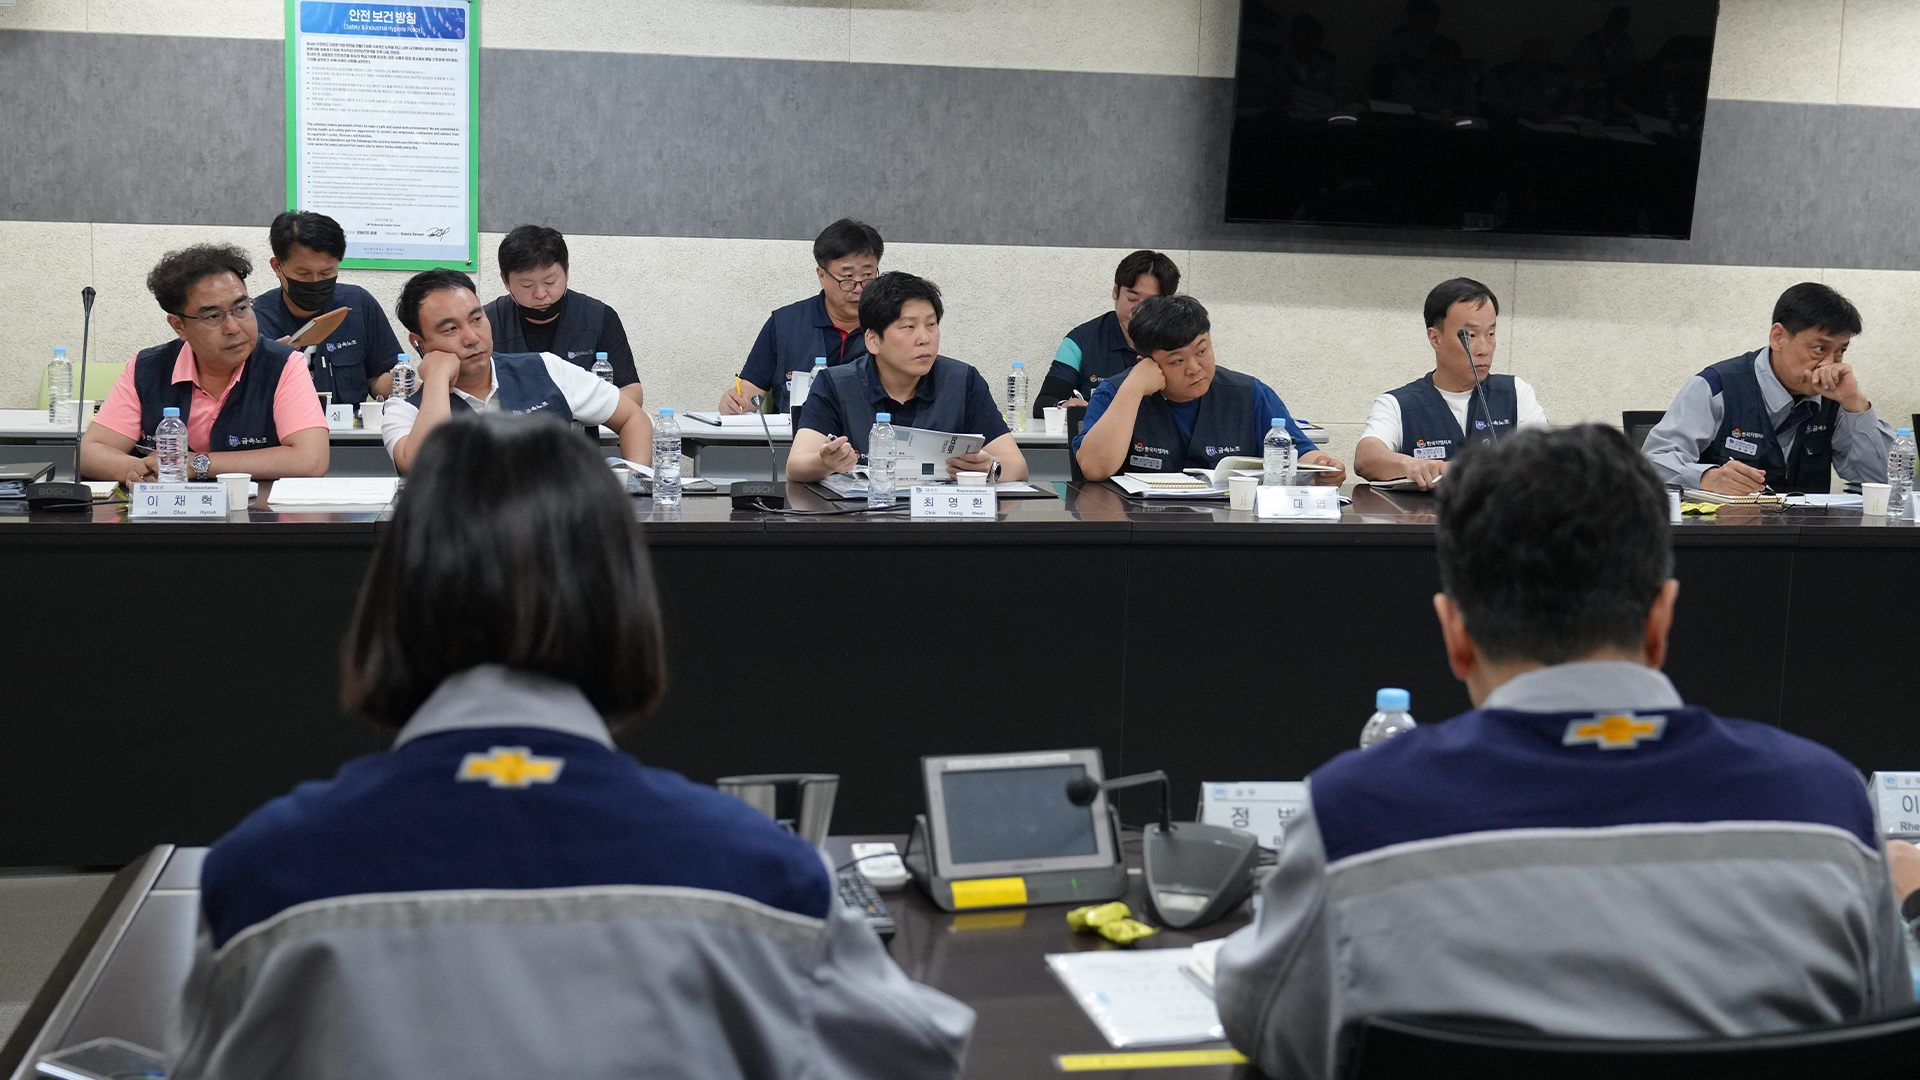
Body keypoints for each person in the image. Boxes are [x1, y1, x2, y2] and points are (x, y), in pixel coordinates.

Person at [165, 415, 974, 1079]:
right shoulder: (763, 873)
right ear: (622, 602)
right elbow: (924, 1053)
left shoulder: (263, 875)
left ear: (394, 600)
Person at [1215, 425, 1916, 1080]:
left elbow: (1266, 1027)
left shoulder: (1353, 816)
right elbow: (1881, 1019)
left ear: (1455, 635)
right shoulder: (1826, 805)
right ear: (1662, 619)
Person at [81, 244, 329, 485]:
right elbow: (90, 452)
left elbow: (311, 459)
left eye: (241, 308)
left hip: (256, 509)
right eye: (213, 316)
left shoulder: (283, 364)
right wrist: (137, 470)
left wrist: (198, 464)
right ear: (179, 326)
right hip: (166, 509)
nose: (233, 328)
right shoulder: (147, 369)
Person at [380, 269, 653, 473]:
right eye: (450, 329)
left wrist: (632, 491)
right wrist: (438, 377)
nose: (472, 337)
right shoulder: (403, 409)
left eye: (477, 319)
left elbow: (633, 418)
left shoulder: (546, 368)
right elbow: (420, 467)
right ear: (419, 343)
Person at [1641, 282, 1891, 495]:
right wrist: (1706, 477)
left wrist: (1856, 404)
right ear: (1778, 337)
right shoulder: (1717, 387)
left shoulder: (1837, 397)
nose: (1829, 364)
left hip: (1809, 532)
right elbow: (1652, 463)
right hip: (1726, 531)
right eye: (1819, 349)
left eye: (1841, 351)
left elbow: (1882, 482)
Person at [1072, 295, 1345, 484]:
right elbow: (1094, 469)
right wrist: (1133, 387)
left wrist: (1322, 465)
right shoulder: (1115, 393)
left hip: (1229, 529)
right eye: (1177, 361)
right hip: (1140, 531)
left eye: (1202, 351)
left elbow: (1300, 454)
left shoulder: (1248, 394)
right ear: (1147, 363)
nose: (1194, 368)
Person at [788, 272, 1027, 484]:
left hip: (941, 517)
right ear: (873, 340)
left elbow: (1017, 466)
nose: (924, 338)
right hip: (863, 517)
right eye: (909, 327)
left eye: (931, 324)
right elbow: (796, 465)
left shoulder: (963, 382)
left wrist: (991, 467)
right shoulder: (836, 384)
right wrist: (825, 462)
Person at [1354, 278, 1548, 490]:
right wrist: (1414, 466)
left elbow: (1546, 461)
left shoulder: (1516, 393)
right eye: (1470, 336)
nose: (1483, 349)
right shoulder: (1397, 404)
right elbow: (1366, 458)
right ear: (1435, 339)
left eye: (1490, 334)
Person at [723, 218, 882, 414]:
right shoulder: (785, 325)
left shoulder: (890, 326)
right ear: (822, 276)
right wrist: (737, 403)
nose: (859, 288)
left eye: (868, 276)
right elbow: (750, 390)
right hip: (795, 433)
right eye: (847, 277)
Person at [482, 225, 645, 409]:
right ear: (505, 281)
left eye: (550, 281)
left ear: (567, 272)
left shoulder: (599, 318)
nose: (540, 294)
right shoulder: (486, 322)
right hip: (508, 427)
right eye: (527, 285)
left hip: (581, 426)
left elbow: (632, 393)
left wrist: (578, 410)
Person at [251, 211, 402, 407]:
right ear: (277, 267)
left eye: (326, 272)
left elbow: (379, 377)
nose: (315, 281)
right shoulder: (254, 320)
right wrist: (267, 365)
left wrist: (406, 386)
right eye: (303, 273)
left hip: (351, 426)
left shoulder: (358, 304)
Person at [1032, 250, 1180, 415]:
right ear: (1115, 291)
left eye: (1150, 304)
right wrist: (1063, 407)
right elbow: (1043, 404)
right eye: (1132, 299)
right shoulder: (1080, 341)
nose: (1139, 311)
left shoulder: (1180, 343)